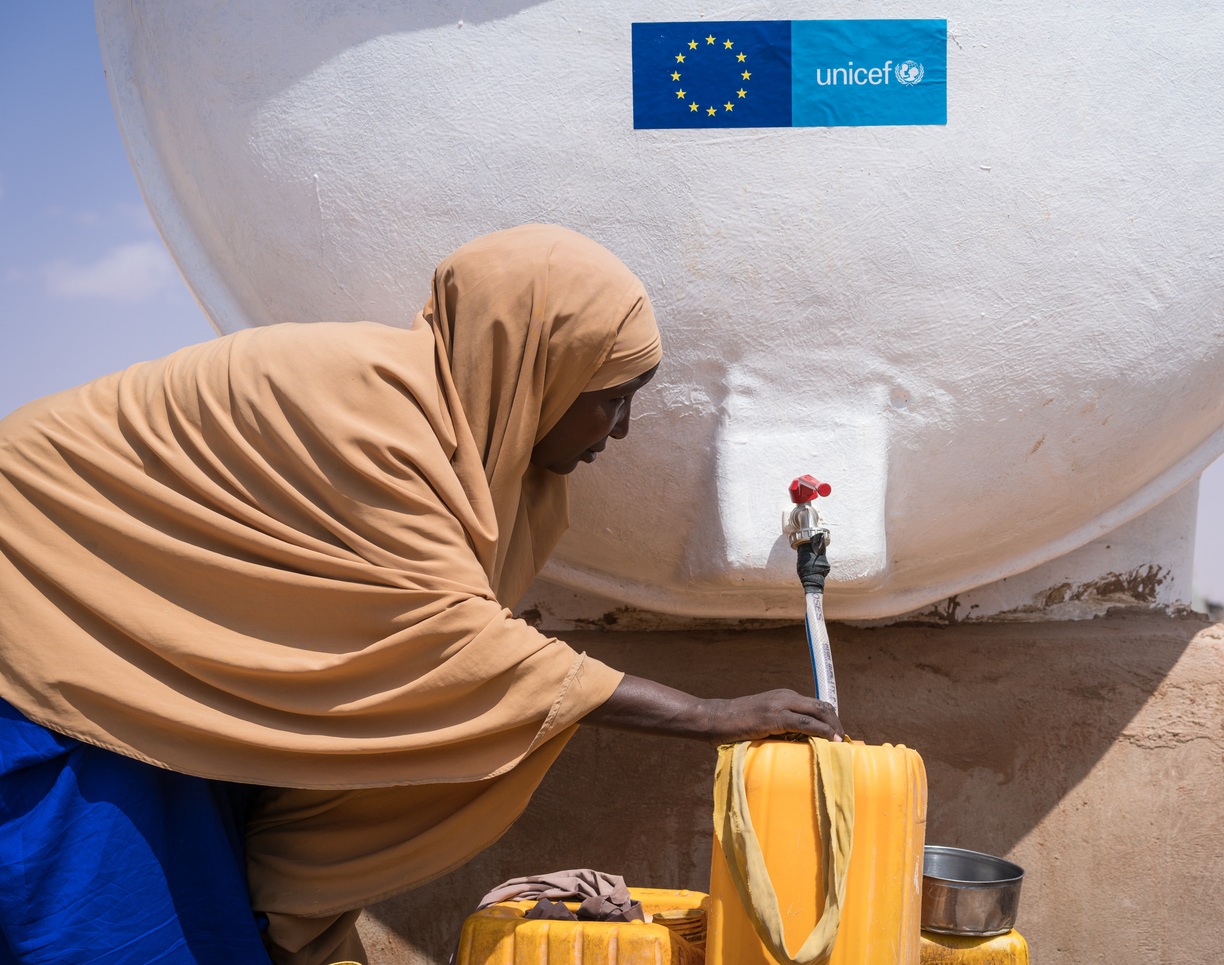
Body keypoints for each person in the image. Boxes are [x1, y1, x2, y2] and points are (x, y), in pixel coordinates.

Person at [0, 224, 843, 965]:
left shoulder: (448, 444)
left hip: (137, 678)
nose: (617, 432)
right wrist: (706, 714)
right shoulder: (370, 412)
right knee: (115, 933)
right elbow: (453, 647)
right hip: (43, 655)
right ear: (532, 367)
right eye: (609, 402)